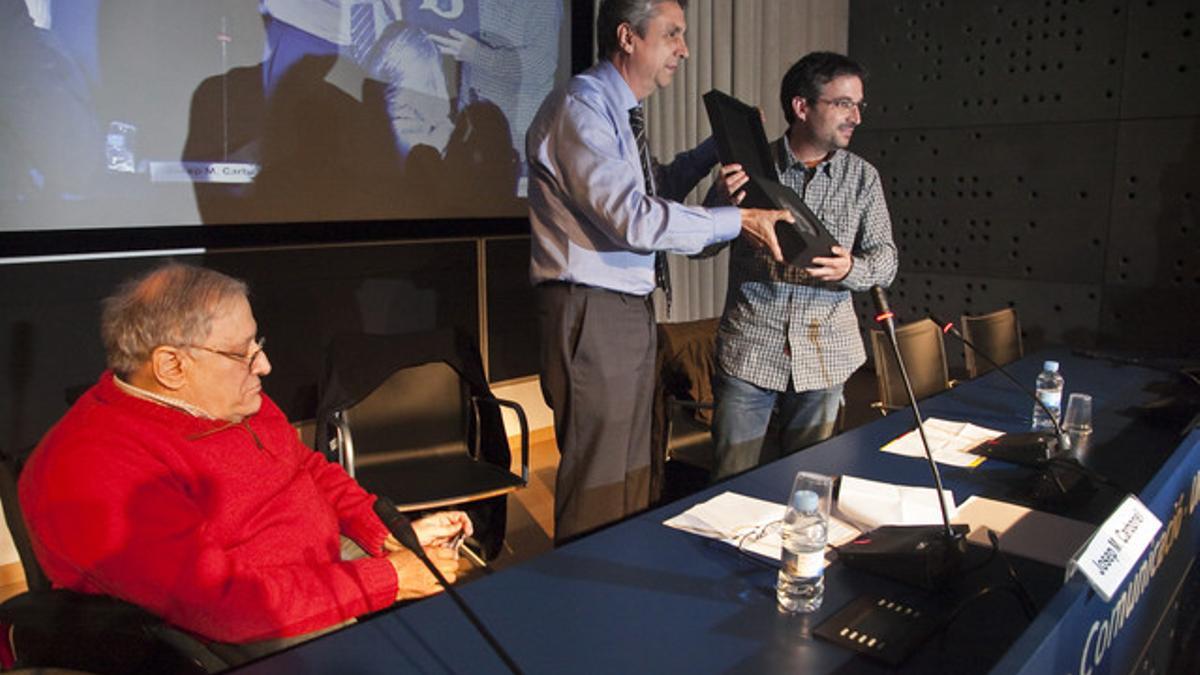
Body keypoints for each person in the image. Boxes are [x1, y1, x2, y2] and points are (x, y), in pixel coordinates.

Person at [18, 263, 471, 663]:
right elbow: (224, 606)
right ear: (172, 367)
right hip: (240, 622)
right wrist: (389, 578)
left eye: (258, 343)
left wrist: (381, 531)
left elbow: (306, 469)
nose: (266, 365)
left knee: (464, 618)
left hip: (315, 566)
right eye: (244, 352)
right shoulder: (95, 469)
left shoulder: (224, 397)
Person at [526, 0, 793, 543]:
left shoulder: (616, 112)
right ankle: (585, 600)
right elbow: (632, 219)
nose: (684, 50)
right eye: (672, 35)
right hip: (592, 306)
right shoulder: (583, 107)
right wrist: (735, 218)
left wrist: (711, 154)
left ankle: (624, 584)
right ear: (628, 37)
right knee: (602, 474)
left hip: (623, 308)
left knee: (638, 463)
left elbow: (649, 191)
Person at [705, 51, 898, 480]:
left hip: (825, 356)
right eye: (844, 104)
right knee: (730, 485)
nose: (856, 117)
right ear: (801, 106)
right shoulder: (751, 166)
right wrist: (720, 203)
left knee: (807, 489)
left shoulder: (863, 177)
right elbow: (700, 249)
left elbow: (887, 260)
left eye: (859, 105)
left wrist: (851, 269)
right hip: (751, 351)